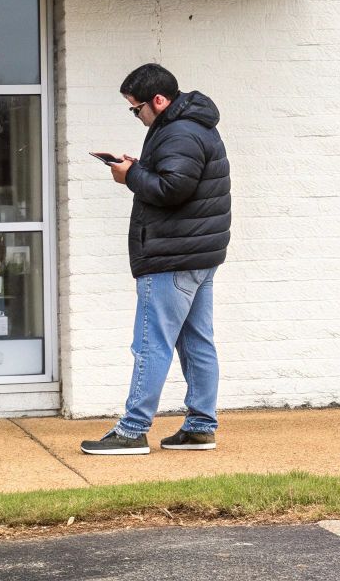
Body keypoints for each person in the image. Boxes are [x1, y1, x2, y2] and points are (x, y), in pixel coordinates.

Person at [80, 63, 232, 455]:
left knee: (151, 343)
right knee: (197, 342)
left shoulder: (178, 132)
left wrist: (129, 176)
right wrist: (138, 167)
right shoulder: (189, 125)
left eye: (137, 109)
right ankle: (200, 426)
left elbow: (172, 189)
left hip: (173, 256)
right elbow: (175, 179)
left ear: (159, 101)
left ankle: (132, 430)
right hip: (196, 253)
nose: (136, 116)